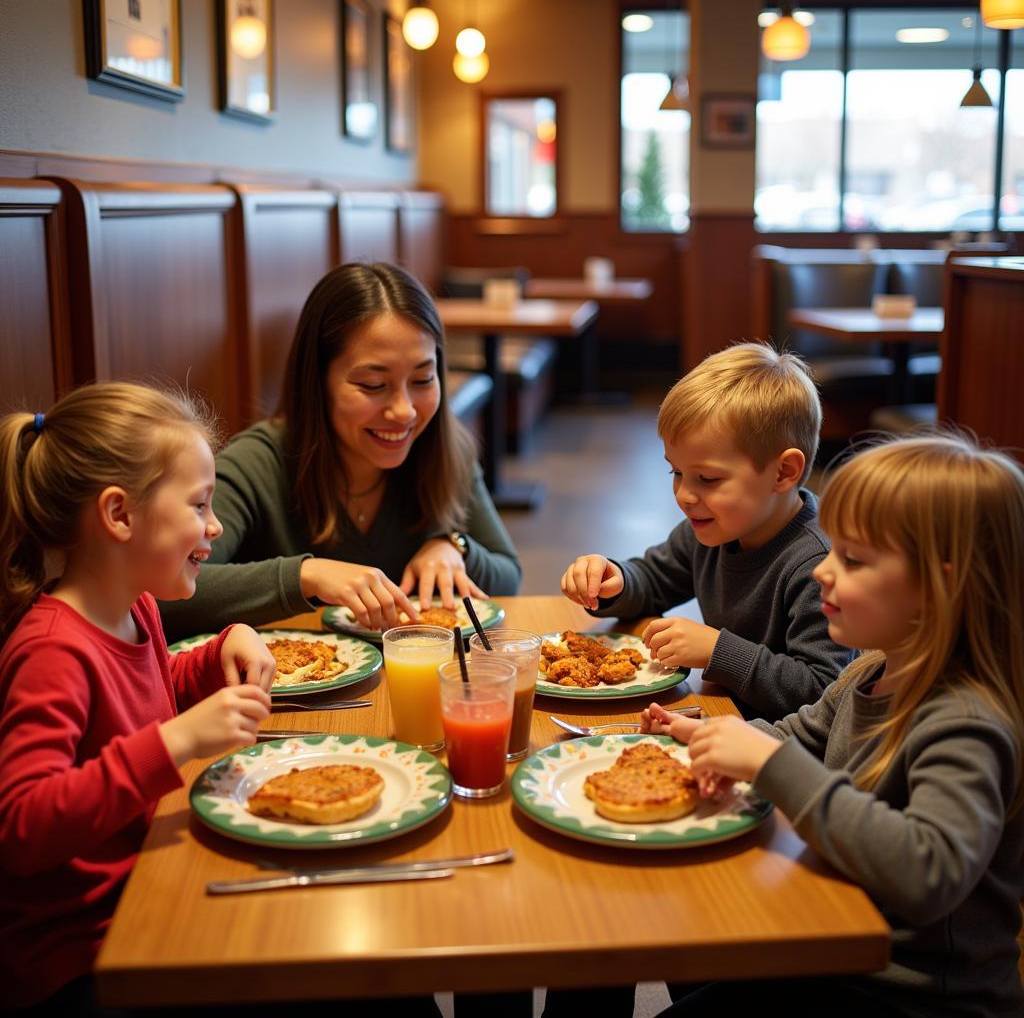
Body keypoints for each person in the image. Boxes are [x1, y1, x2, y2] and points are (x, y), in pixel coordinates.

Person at [644, 432, 1024, 1018]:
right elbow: (801, 734)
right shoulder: (873, 670)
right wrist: (702, 740)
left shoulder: (964, 720)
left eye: (852, 558)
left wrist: (772, 767)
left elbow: (928, 871)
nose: (822, 569)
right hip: (829, 950)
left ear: (938, 586)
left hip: (906, 996)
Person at [0, 382, 277, 1014]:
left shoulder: (137, 609)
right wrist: (176, 740)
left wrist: (217, 653)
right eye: (200, 505)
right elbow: (21, 823)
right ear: (120, 515)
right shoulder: (52, 651)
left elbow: (146, 694)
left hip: (147, 885)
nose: (216, 526)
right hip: (79, 955)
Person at [159, 262, 521, 642]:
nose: (405, 411)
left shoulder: (444, 450)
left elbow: (509, 576)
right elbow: (160, 595)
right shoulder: (258, 464)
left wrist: (454, 546)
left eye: (422, 380)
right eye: (373, 384)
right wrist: (305, 576)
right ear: (318, 382)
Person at [559, 342, 851, 721]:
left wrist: (719, 651)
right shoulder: (719, 527)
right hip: (727, 717)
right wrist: (617, 580)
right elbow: (654, 578)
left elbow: (821, 693)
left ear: (783, 473)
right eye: (676, 472)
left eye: (708, 479)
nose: (684, 494)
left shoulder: (820, 566)